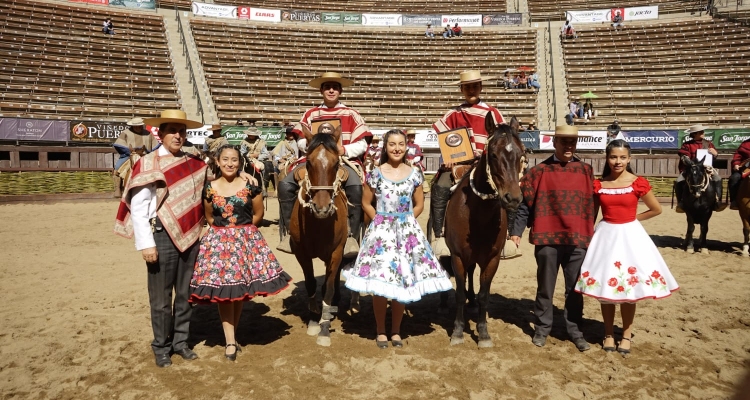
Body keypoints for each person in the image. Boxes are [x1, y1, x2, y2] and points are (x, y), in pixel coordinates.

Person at [112, 110, 214, 368]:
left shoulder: (195, 162)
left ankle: (180, 343)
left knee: (185, 295)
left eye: (182, 131)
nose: (178, 136)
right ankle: (161, 346)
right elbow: (139, 207)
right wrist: (146, 244)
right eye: (172, 131)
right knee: (160, 300)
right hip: (160, 237)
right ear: (161, 133)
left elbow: (210, 188)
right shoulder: (148, 164)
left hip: (191, 238)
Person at [343, 129, 452, 348]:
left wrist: (407, 220)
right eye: (392, 144)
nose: (397, 148)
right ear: (385, 147)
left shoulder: (414, 173)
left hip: (406, 232)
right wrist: (379, 220)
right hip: (381, 235)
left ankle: (396, 331)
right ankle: (381, 330)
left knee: (403, 281)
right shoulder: (375, 173)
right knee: (381, 282)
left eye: (401, 144)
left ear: (406, 146)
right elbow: (366, 202)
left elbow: (420, 203)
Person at [575, 140, 679, 355]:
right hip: (605, 237)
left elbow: (656, 209)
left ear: (629, 159)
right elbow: (592, 216)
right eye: (613, 157)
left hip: (630, 237)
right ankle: (608, 333)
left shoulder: (637, 183)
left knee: (629, 289)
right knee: (606, 287)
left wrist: (632, 220)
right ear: (607, 158)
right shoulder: (599, 185)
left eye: (622, 157)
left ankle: (627, 335)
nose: (618, 161)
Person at [189, 145, 292, 361]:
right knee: (226, 295)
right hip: (218, 245)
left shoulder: (251, 187)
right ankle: (229, 341)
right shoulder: (209, 188)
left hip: (245, 241)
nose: (229, 163)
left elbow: (258, 215)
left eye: (234, 160)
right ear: (217, 161)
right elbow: (209, 217)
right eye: (225, 159)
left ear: (240, 162)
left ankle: (232, 334)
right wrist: (224, 236)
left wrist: (240, 234)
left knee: (236, 293)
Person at [509, 125, 595, 352]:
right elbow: (524, 205)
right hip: (547, 239)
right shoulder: (538, 172)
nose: (568, 146)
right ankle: (542, 329)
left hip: (578, 239)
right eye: (563, 141)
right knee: (545, 289)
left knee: (574, 290)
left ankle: (576, 331)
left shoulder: (586, 171)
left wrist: (589, 231)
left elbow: (593, 205)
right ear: (554, 143)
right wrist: (516, 232)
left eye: (572, 142)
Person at [276, 72, 371, 258]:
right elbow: (300, 140)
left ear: (340, 91)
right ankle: (290, 234)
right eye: (327, 87)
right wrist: (313, 148)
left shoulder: (352, 114)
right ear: (321, 90)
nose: (331, 90)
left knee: (355, 187)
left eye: (335, 87)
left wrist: (344, 150)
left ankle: (351, 235)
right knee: (285, 185)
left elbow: (362, 144)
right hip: (312, 161)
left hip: (342, 161)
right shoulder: (311, 113)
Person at [431, 70, 505, 257]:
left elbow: (502, 139)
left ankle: (510, 237)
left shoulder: (493, 112)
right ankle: (439, 234)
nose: (471, 90)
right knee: (441, 184)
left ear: (480, 87)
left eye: (475, 86)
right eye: (467, 87)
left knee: (508, 187)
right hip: (458, 164)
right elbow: (444, 139)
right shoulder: (452, 114)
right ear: (462, 89)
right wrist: (448, 158)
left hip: (486, 164)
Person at [675, 124, 726, 212]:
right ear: (694, 134)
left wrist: (715, 153)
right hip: (692, 168)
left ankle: (718, 201)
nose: (703, 133)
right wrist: (690, 163)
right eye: (701, 132)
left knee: (718, 178)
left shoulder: (708, 143)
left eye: (703, 131)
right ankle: (681, 202)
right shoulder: (687, 145)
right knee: (679, 181)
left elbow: (714, 156)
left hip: (706, 167)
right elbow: (684, 156)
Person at [240, 127, 270, 191]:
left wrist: (258, 156)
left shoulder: (262, 142)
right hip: (246, 159)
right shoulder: (244, 142)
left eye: (251, 134)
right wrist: (249, 155)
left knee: (263, 167)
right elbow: (241, 152)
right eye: (249, 134)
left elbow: (266, 154)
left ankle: (263, 185)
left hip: (258, 160)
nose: (249, 135)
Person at [728, 137, 750, 210]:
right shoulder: (745, 144)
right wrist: (736, 164)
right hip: (747, 168)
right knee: (734, 178)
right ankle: (734, 201)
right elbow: (737, 156)